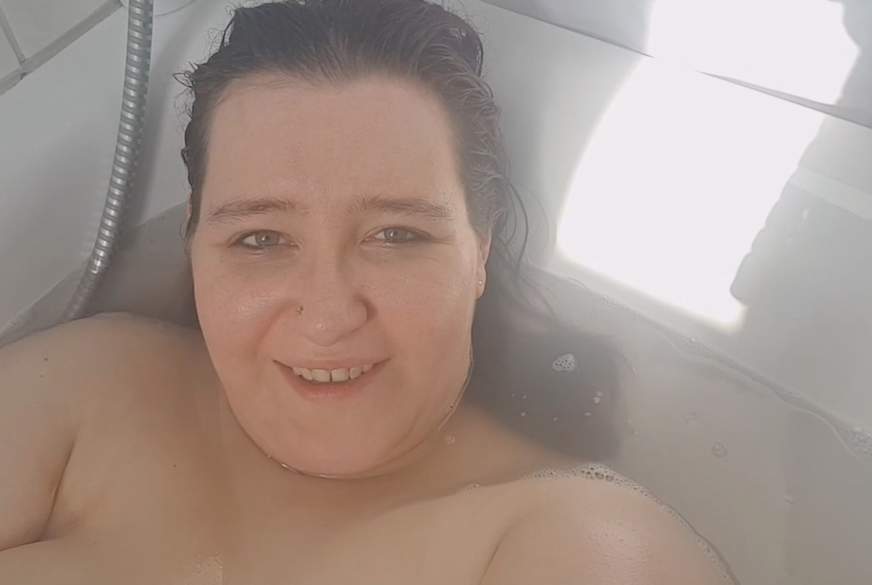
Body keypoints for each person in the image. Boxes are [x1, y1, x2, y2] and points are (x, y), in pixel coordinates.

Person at [0, 1, 731, 582]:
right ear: (194, 240)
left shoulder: (577, 542)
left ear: (479, 250)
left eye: (397, 234)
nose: (327, 316)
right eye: (260, 238)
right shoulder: (87, 384)